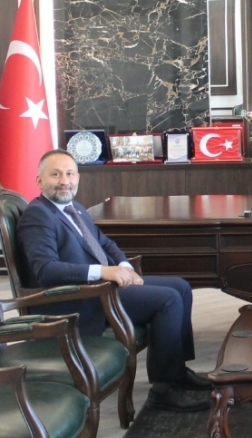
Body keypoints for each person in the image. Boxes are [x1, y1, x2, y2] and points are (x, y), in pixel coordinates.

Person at [17, 150, 211, 411]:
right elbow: (46, 270)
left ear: (78, 178)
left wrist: (124, 266)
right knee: (168, 300)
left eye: (70, 174)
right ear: (39, 181)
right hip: (78, 299)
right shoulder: (38, 215)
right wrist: (103, 271)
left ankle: (177, 371)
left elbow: (105, 243)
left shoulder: (74, 209)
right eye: (56, 174)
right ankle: (164, 389)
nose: (64, 181)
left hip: (101, 289)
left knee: (181, 287)